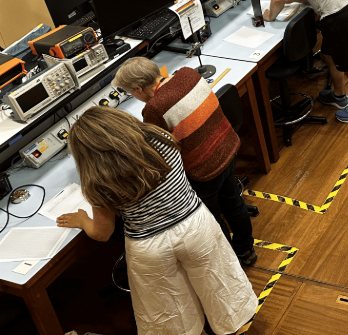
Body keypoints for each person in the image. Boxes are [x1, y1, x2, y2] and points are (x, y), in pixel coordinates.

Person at [56, 107, 257, 335]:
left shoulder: (97, 181)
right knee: (220, 286)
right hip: (195, 227)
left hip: (150, 248)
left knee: (172, 314)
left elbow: (102, 233)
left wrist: (83, 220)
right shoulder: (161, 138)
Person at [113, 57, 256, 266]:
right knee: (233, 201)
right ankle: (246, 250)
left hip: (205, 169)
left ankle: (230, 262)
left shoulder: (154, 108)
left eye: (131, 93)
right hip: (227, 146)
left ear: (138, 88)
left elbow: (160, 149)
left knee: (214, 216)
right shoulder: (188, 73)